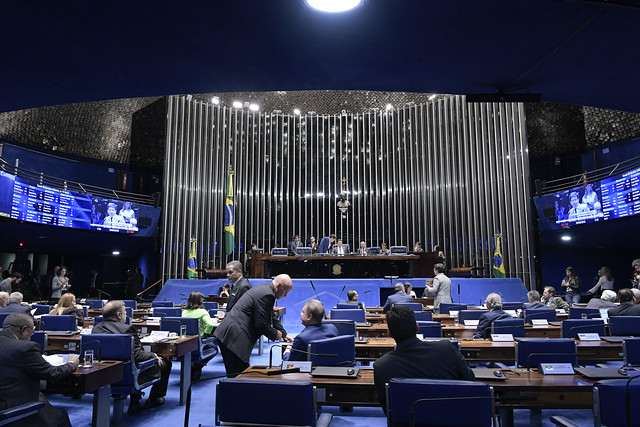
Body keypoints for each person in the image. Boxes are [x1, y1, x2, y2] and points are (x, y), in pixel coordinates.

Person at [373, 306, 475, 413]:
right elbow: (471, 383)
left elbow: (388, 408)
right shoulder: (447, 349)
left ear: (389, 334)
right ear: (417, 327)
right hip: (454, 417)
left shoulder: (381, 366)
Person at [0, 312, 79, 427]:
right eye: (31, 332)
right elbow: (53, 373)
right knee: (60, 415)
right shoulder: (25, 348)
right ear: (24, 329)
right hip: (12, 409)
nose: (30, 337)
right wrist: (71, 363)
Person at [92, 301, 171, 414]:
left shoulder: (95, 329)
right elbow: (139, 356)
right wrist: (153, 355)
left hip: (102, 376)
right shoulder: (127, 329)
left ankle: (135, 401)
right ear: (119, 315)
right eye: (124, 312)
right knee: (165, 364)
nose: (126, 314)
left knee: (130, 363)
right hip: (127, 377)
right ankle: (153, 399)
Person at [214, 274, 293, 377]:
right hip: (234, 337)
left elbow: (271, 316)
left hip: (231, 334)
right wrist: (275, 334)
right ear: (279, 285)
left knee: (239, 376)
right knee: (239, 377)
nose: (285, 295)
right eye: (285, 292)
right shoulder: (268, 295)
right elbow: (260, 324)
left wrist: (283, 333)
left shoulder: (266, 289)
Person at [182, 291, 217, 380]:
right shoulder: (202, 312)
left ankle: (194, 366)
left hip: (186, 342)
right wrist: (206, 334)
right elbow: (209, 324)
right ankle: (198, 366)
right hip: (198, 341)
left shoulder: (184, 312)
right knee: (214, 348)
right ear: (199, 301)